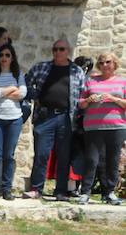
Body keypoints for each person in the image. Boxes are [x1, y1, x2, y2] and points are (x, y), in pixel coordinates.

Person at [24, 38, 86, 201]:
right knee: (41, 154)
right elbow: (25, 83)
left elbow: (83, 94)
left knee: (64, 155)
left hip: (66, 118)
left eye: (61, 49)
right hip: (45, 116)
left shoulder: (77, 71)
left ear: (68, 51)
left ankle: (60, 191)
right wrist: (35, 96)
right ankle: (36, 189)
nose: (58, 52)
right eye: (55, 49)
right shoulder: (41, 67)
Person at [76, 52, 126, 205]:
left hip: (116, 126)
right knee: (91, 160)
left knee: (113, 159)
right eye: (102, 62)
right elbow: (80, 103)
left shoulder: (122, 82)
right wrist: (88, 100)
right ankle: (85, 192)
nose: (105, 65)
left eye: (108, 62)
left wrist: (113, 99)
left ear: (114, 64)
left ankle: (109, 192)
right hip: (93, 126)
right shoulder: (90, 81)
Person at [0, 44, 26, 201]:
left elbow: (22, 93)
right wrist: (10, 88)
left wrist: (2, 92)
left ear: (12, 57)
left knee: (9, 155)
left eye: (7, 55)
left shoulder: (18, 75)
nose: (4, 58)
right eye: (1, 55)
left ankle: (7, 189)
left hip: (14, 119)